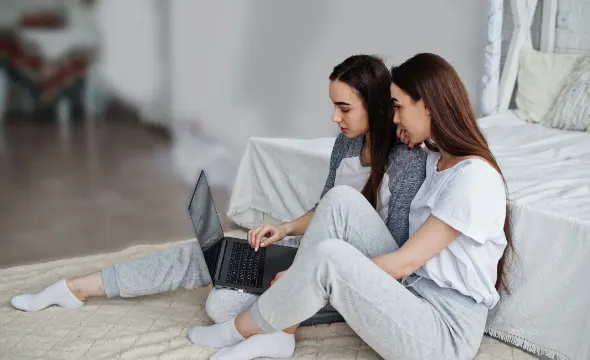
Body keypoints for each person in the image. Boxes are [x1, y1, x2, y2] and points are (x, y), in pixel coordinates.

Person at [10, 54, 427, 357]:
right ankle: (76, 287)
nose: (335, 118)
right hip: (312, 255)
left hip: (355, 277)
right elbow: (327, 209)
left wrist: (304, 274)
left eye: (344, 108)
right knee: (212, 254)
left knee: (220, 304)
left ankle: (277, 327)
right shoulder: (347, 144)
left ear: (375, 105)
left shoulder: (406, 161)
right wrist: (284, 230)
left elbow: (397, 249)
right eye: (333, 106)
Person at [188, 52, 515, 360]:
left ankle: (239, 329)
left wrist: (308, 273)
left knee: (329, 257)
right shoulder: (439, 162)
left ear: (428, 106)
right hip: (413, 292)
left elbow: (404, 263)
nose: (394, 117)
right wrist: (301, 264)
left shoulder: (474, 179)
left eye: (398, 107)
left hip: (444, 331)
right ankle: (281, 332)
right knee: (342, 199)